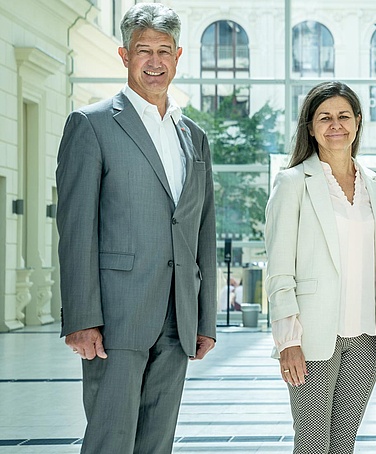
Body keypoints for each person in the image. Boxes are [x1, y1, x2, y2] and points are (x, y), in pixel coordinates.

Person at [55, 3, 217, 453]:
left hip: (177, 315)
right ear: (124, 55)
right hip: (116, 317)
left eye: (163, 51)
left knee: (157, 441)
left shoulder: (194, 137)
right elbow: (76, 230)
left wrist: (204, 318)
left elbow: (202, 231)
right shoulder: (91, 124)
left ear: (178, 55)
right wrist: (83, 318)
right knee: (111, 439)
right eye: (143, 50)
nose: (154, 61)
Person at [264, 81, 376, 454]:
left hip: (366, 338)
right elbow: (279, 270)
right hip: (311, 338)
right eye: (324, 117)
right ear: (310, 128)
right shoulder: (293, 182)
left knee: (344, 444)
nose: (335, 125)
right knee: (312, 444)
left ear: (358, 122)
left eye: (344, 116)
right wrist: (288, 341)